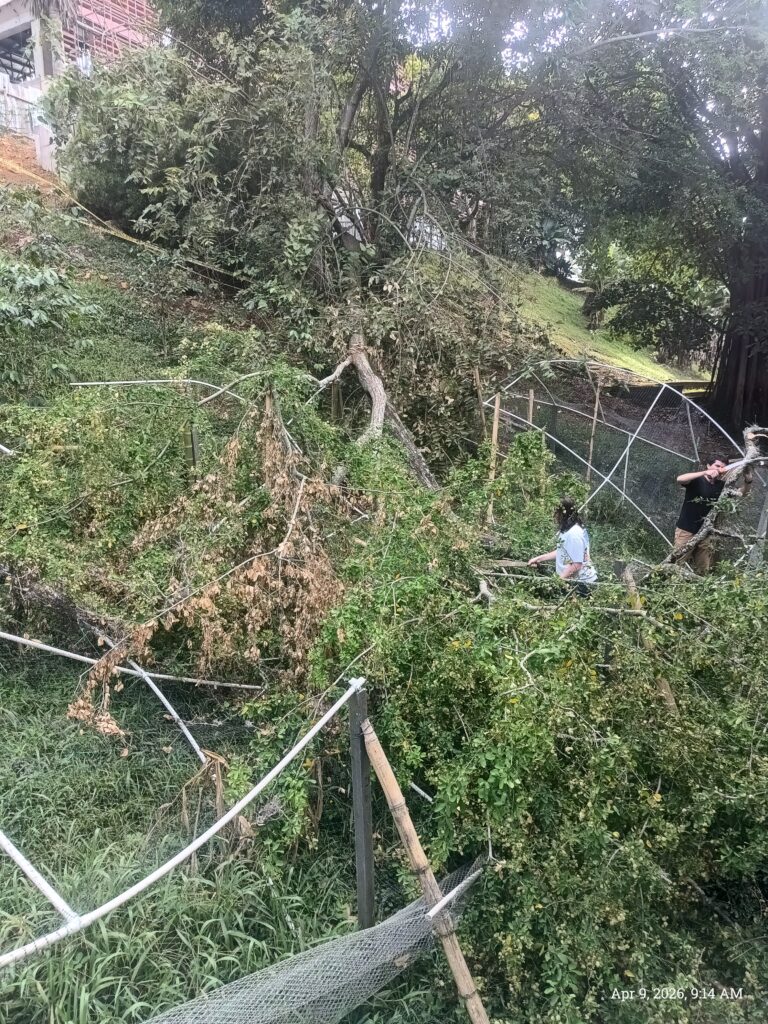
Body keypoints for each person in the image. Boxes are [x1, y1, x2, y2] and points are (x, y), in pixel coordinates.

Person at [528, 497, 598, 595]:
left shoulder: (574, 534)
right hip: (571, 582)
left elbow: (576, 565)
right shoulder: (567, 530)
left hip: (582, 584)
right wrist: (539, 558)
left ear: (563, 513)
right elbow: (563, 552)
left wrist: (558, 581)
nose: (554, 516)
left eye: (556, 513)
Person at [673, 457, 727, 574]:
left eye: (722, 467)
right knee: (677, 563)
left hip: (706, 532)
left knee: (703, 569)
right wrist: (704, 473)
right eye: (717, 466)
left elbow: (742, 493)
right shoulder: (697, 480)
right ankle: (670, 586)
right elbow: (679, 479)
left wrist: (748, 480)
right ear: (708, 466)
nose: (719, 469)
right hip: (686, 530)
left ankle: (698, 588)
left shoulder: (722, 486)